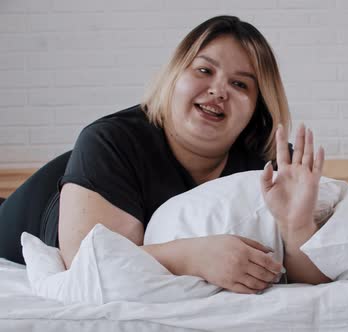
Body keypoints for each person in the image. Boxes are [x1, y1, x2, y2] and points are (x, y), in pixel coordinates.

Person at [0, 15, 330, 294]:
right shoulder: (111, 141)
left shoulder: (272, 165)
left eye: (241, 85)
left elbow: (311, 281)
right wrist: (192, 257)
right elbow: (90, 265)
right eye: (204, 70)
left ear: (257, 108)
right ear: (174, 77)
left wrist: (296, 225)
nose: (218, 90)